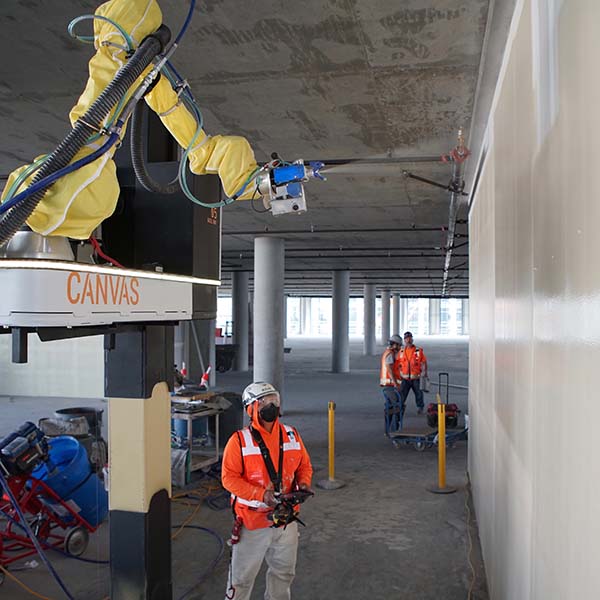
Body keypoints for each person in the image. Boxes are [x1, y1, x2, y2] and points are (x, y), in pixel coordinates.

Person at [221, 382, 313, 600]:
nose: (271, 405)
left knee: (283, 574)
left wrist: (304, 484)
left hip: (286, 521)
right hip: (252, 524)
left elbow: (304, 466)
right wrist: (261, 494)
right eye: (264, 402)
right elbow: (228, 479)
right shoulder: (239, 441)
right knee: (241, 580)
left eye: (274, 400)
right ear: (250, 408)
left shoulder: (291, 435)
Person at [398, 331, 428, 414]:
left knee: (419, 394)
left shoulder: (418, 350)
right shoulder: (401, 351)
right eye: (407, 339)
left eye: (410, 338)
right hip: (405, 378)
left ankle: (420, 407)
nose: (408, 340)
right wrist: (399, 375)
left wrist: (424, 374)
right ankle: (400, 407)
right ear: (404, 340)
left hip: (416, 378)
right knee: (402, 394)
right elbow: (399, 364)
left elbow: (423, 363)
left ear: (412, 339)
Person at [380, 335, 404, 432]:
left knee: (389, 409)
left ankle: (388, 430)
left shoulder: (390, 353)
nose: (399, 348)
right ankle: (394, 431)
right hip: (390, 386)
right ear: (394, 344)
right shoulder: (390, 354)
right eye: (398, 345)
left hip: (389, 386)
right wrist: (396, 384)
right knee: (397, 407)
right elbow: (389, 369)